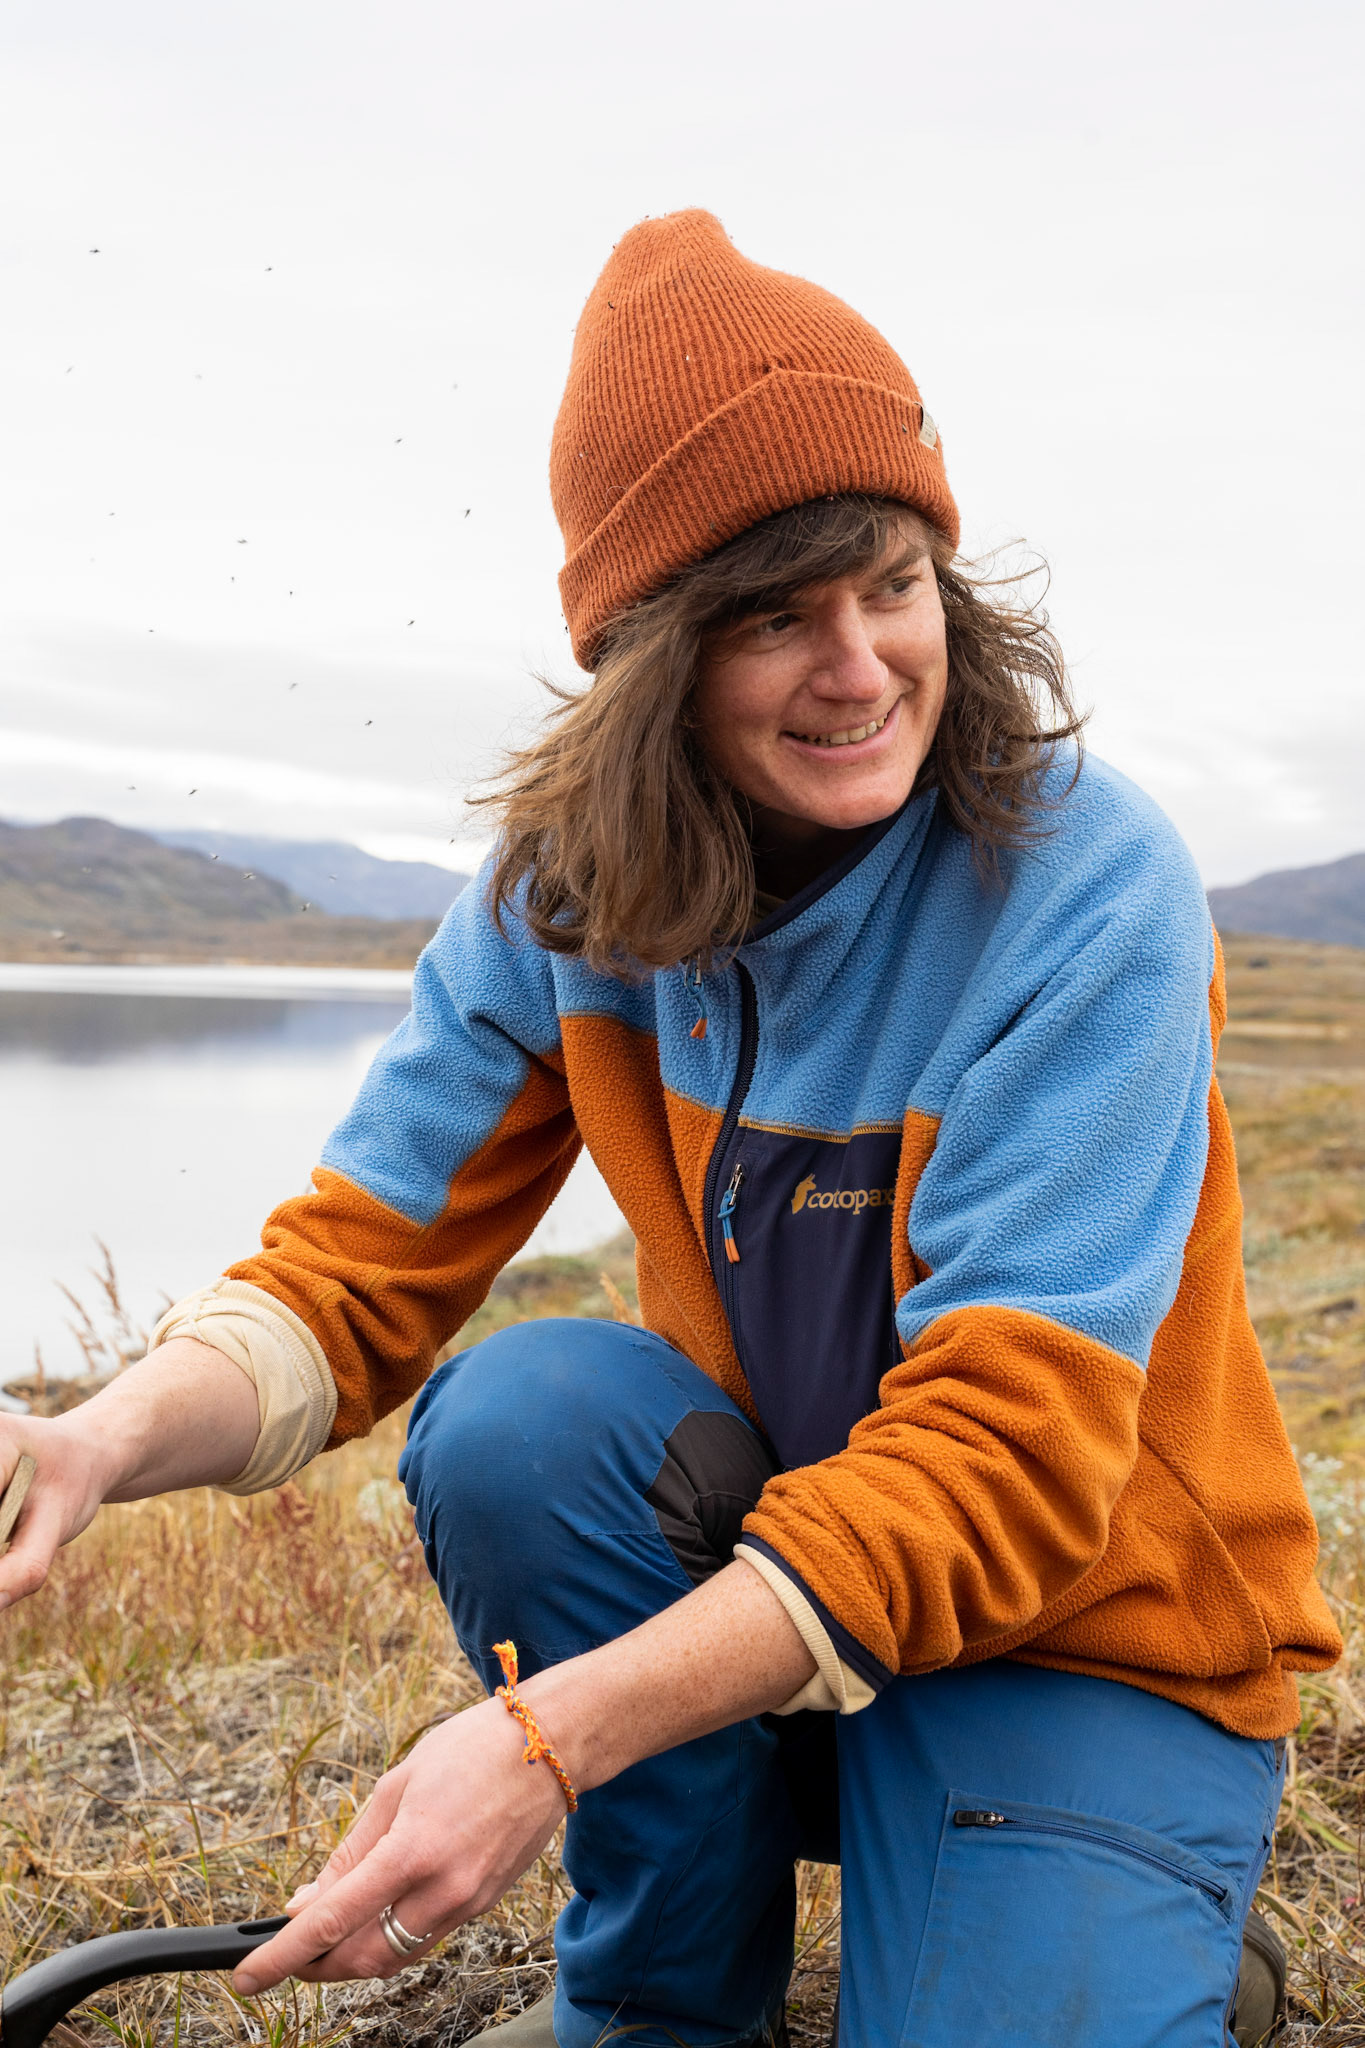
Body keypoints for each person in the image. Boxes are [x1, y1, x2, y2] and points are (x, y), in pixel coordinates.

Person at [0, 211, 1341, 2048]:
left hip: (1089, 1641)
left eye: (890, 585)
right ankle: (662, 2001)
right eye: (774, 617)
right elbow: (357, 1267)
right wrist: (99, 1440)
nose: (861, 665)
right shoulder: (570, 898)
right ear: (652, 659)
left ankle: (1115, 1906)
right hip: (783, 1609)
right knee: (530, 1421)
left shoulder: (1084, 886)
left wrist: (546, 1741)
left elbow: (1004, 1466)